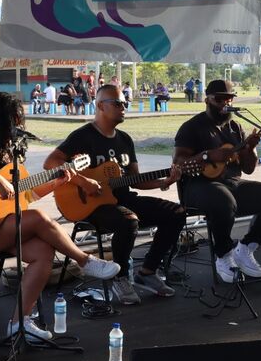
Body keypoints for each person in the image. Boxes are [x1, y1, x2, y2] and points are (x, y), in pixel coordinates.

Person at [0, 92, 120, 342]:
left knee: (43, 253)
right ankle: (83, 260)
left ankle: (19, 323)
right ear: (3, 119)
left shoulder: (10, 152)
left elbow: (28, 195)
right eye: (15, 119)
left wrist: (58, 180)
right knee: (38, 218)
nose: (19, 125)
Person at [44, 85, 184, 305]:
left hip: (122, 199)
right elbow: (50, 163)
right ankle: (120, 278)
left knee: (176, 213)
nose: (123, 107)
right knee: (128, 221)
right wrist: (83, 181)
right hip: (91, 206)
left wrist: (164, 181)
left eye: (125, 103)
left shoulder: (125, 140)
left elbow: (135, 178)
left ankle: (147, 272)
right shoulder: (83, 136)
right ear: (100, 105)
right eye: (118, 103)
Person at [173, 80, 261, 283]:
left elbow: (248, 168)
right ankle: (223, 255)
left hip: (231, 184)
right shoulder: (192, 127)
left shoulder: (235, 126)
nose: (225, 103)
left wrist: (250, 148)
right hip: (197, 186)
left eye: (229, 98)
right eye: (219, 99)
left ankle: (245, 248)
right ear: (207, 100)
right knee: (223, 200)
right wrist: (208, 156)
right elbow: (178, 163)